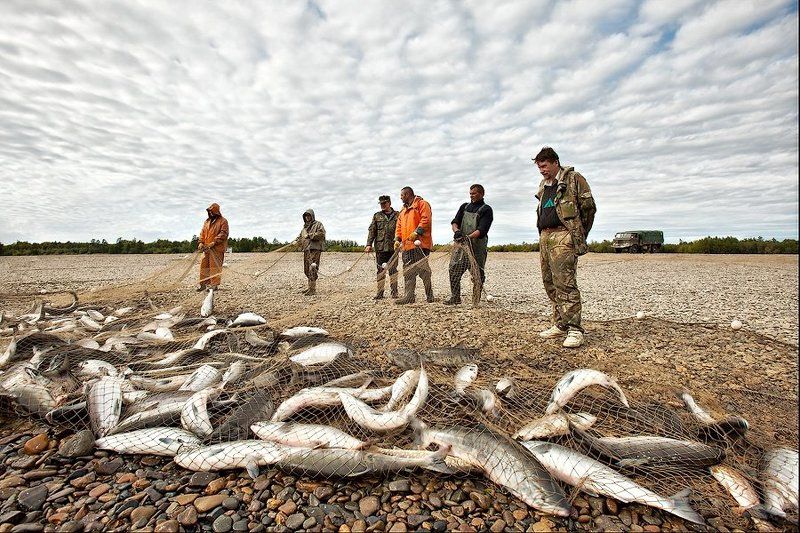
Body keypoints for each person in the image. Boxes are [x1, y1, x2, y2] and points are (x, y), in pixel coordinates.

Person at [533, 147, 596, 348]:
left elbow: (588, 209)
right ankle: (560, 324)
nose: (542, 170)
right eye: (539, 167)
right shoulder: (544, 185)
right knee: (549, 282)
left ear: (555, 162)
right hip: (545, 236)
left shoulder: (574, 179)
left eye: (544, 166)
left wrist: (576, 234)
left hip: (563, 235)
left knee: (565, 282)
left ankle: (575, 329)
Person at [445, 184, 494, 306]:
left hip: (477, 247)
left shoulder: (486, 209)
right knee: (453, 270)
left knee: (478, 274)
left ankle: (475, 300)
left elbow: (482, 230)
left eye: (474, 193)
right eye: (470, 193)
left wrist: (468, 237)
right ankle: (455, 297)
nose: (471, 195)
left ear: (482, 194)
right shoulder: (464, 207)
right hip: (460, 247)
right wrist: (457, 232)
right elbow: (455, 222)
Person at [394, 187, 434, 305]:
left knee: (424, 271)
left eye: (402, 195)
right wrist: (397, 239)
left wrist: (417, 232)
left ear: (407, 194)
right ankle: (409, 296)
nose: (400, 198)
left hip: (420, 245)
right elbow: (399, 227)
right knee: (408, 271)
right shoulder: (403, 210)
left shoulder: (422, 204)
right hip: (407, 246)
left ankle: (430, 295)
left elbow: (426, 220)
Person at [365, 195, 399, 299]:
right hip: (380, 248)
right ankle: (380, 293)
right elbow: (372, 231)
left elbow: (401, 230)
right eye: (381, 204)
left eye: (384, 203)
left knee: (393, 270)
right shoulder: (377, 216)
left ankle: (394, 293)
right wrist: (368, 244)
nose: (382, 205)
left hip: (394, 248)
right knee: (380, 271)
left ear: (389, 203)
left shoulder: (398, 215)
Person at [197, 203, 229, 291]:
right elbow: (202, 233)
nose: (210, 213)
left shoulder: (223, 221)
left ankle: (214, 285)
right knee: (204, 265)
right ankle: (203, 284)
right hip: (206, 248)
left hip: (217, 249)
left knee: (215, 266)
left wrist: (214, 242)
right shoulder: (206, 222)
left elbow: (224, 233)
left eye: (212, 211)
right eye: (209, 211)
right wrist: (200, 242)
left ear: (216, 211)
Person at [297, 209, 326, 296]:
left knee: (312, 268)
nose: (307, 217)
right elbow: (300, 237)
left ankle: (312, 289)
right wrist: (296, 241)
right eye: (306, 216)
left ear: (312, 216)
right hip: (306, 250)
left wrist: (310, 235)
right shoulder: (304, 228)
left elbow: (321, 234)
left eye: (309, 215)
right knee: (306, 269)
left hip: (315, 249)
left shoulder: (318, 224)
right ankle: (309, 287)